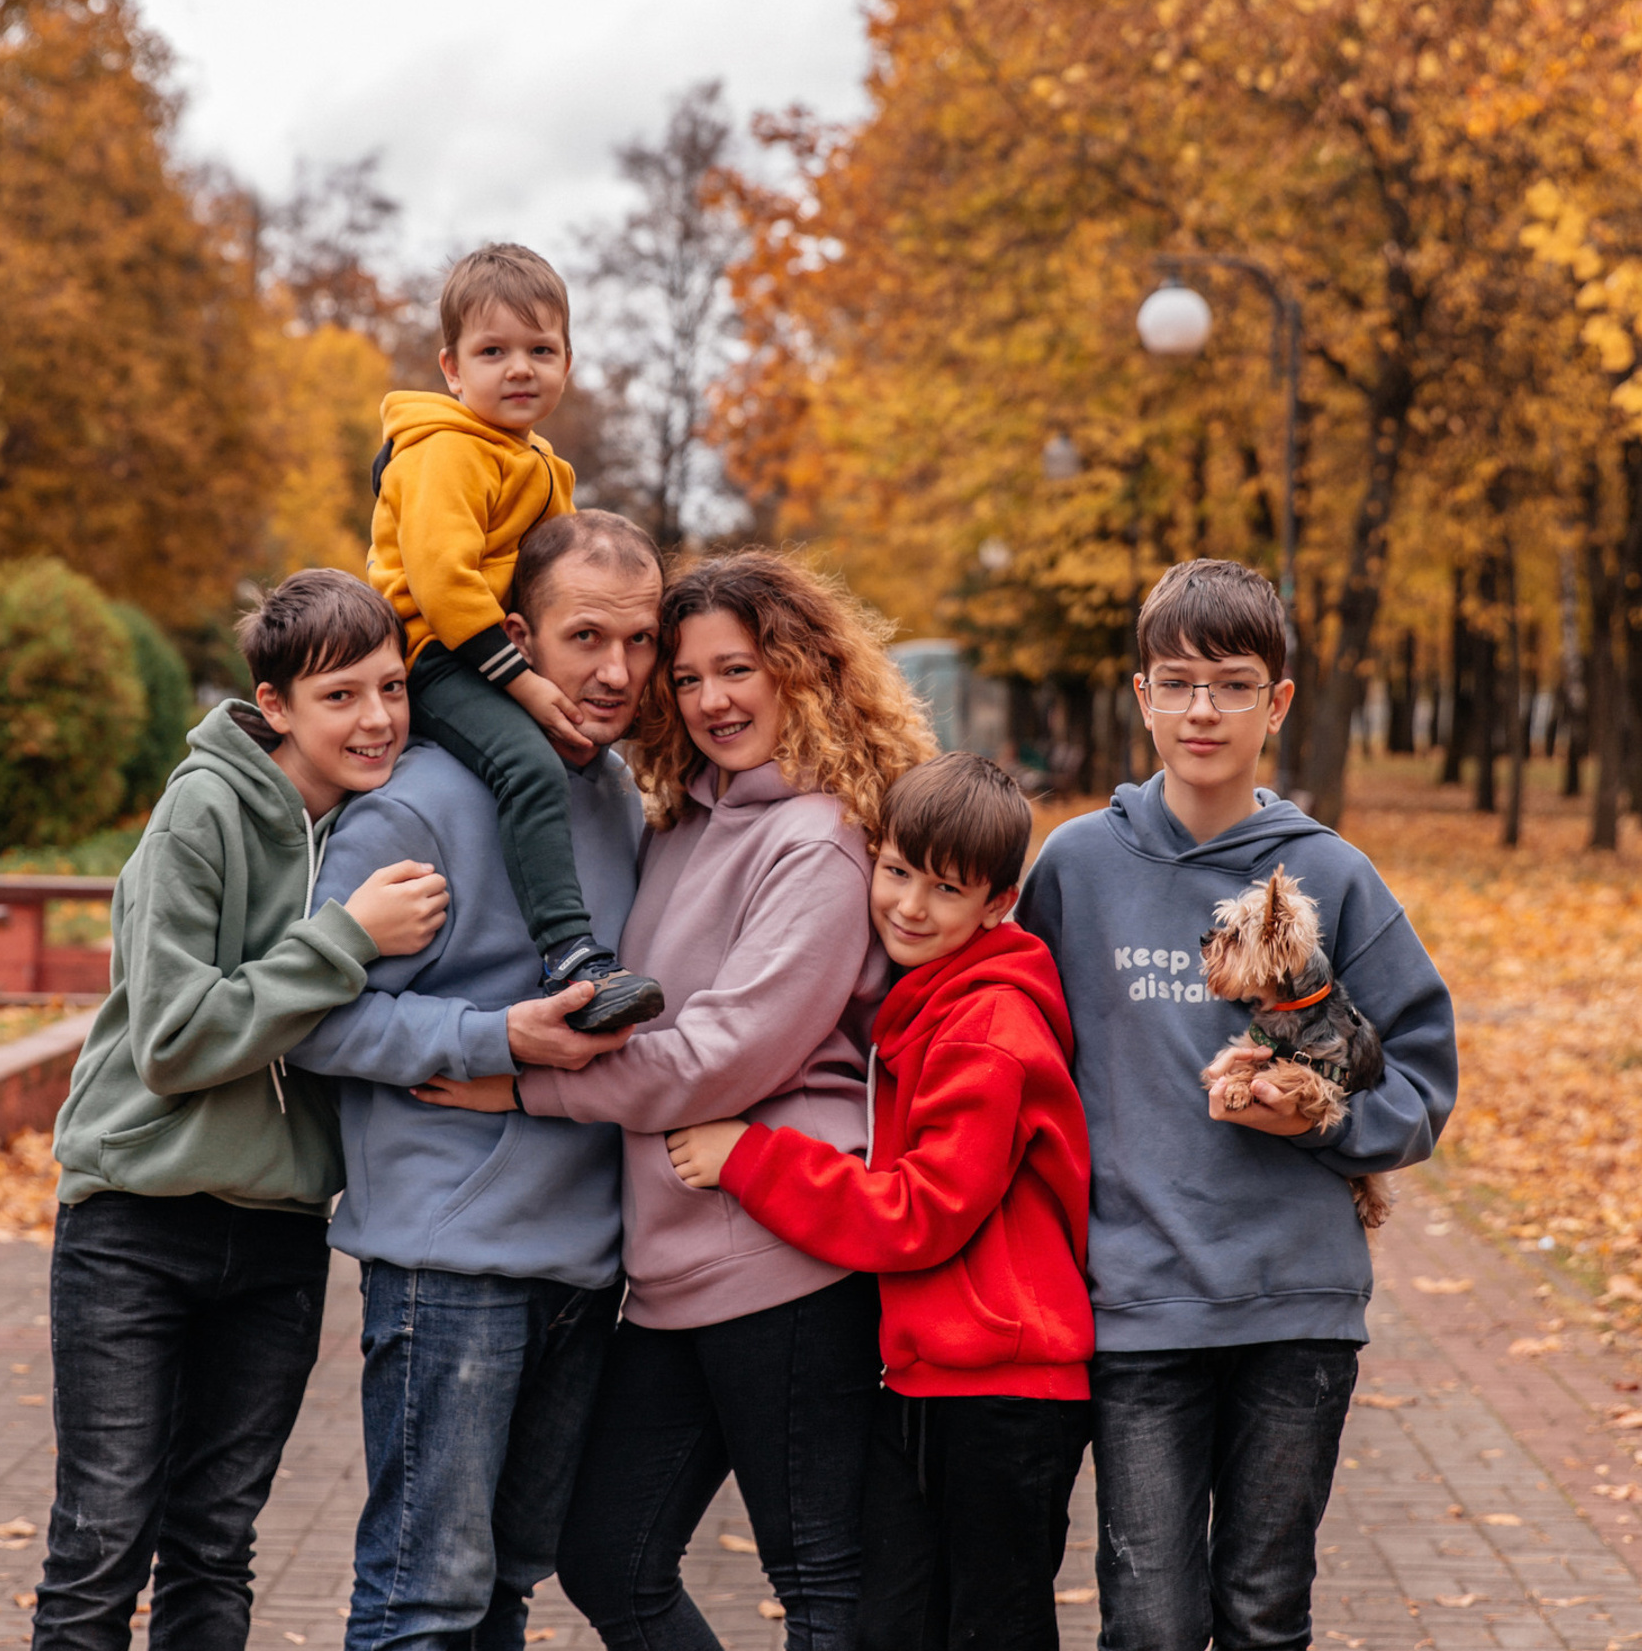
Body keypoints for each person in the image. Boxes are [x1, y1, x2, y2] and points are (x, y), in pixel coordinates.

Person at [419, 549, 937, 1651]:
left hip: (785, 1254)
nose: (711, 700)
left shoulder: (825, 840)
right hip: (670, 1264)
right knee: (608, 1553)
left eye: (738, 669)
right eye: (689, 677)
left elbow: (720, 1054)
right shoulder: (688, 822)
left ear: (800, 669)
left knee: (819, 1584)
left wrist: (519, 1086)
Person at [1013, 557, 1458, 1651]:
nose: (1203, 709)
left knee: (1263, 1617)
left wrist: (1327, 1122)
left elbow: (1424, 1084)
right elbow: (1010, 1058)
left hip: (1295, 1307)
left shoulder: (1333, 877)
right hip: (1136, 1306)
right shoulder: (1073, 866)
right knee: (1151, 1625)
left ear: (1280, 702)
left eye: (1233, 682)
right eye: (1178, 681)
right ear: (1142, 697)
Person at [36, 570, 451, 1651]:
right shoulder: (202, 811)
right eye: (341, 696)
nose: (377, 719)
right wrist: (346, 938)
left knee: (216, 1544)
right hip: (135, 1224)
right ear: (275, 708)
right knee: (100, 1548)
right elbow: (173, 1041)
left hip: (277, 1238)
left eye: (393, 689)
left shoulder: (376, 826)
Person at [286, 511, 665, 1651]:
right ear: (515, 637)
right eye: (586, 635)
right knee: (424, 1597)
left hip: (584, 1264)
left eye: (641, 641)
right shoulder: (419, 801)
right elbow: (313, 1023)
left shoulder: (614, 792)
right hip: (451, 1269)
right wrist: (499, 1037)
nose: (615, 671)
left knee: (504, 1590)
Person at [666, 751, 1094, 1651]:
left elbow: (920, 1213)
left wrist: (751, 1156)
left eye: (945, 890)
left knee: (992, 1632)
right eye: (896, 872)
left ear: (998, 905)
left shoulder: (991, 1029)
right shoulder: (927, 1000)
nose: (909, 905)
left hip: (1003, 1389)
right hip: (931, 1375)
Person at [369, 241, 661, 1031]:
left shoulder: (543, 466)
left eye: (541, 349)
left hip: (490, 651)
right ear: (452, 368)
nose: (520, 368)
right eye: (493, 351)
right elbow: (439, 581)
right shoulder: (447, 452)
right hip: (433, 654)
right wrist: (526, 682)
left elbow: (559, 579)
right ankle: (570, 952)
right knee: (529, 762)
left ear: (568, 361)